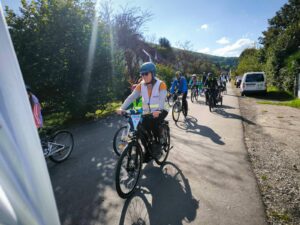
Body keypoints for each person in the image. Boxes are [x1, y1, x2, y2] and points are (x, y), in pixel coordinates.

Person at [117, 62, 168, 161]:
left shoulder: (161, 84)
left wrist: (158, 110)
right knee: (140, 130)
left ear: (152, 73)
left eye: (146, 74)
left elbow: (162, 99)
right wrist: (122, 108)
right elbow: (131, 97)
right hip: (147, 112)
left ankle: (158, 144)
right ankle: (148, 152)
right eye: (142, 74)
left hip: (161, 110)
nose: (143, 76)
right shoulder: (141, 85)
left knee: (154, 125)